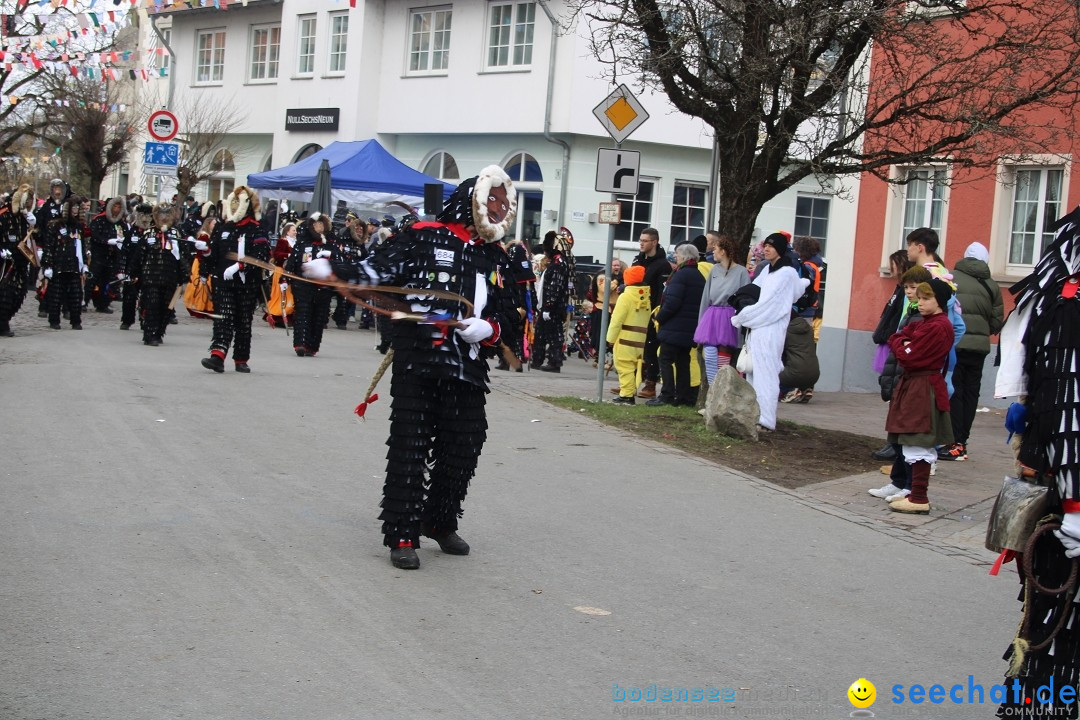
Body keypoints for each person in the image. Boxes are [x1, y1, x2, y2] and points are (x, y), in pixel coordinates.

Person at [304, 165, 518, 570]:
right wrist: (333, 271)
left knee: (464, 444)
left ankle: (438, 521)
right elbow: (377, 272)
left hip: (468, 367)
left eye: (505, 203)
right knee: (410, 445)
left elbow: (514, 317)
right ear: (474, 198)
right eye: (493, 198)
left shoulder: (495, 257)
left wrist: (489, 328)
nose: (499, 208)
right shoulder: (424, 236)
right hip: (420, 360)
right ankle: (401, 533)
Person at [992, 206, 1080, 718]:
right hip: (1067, 487)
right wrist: (1074, 504)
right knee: (1058, 624)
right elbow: (1067, 406)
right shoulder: (1065, 297)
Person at [883, 278, 956, 514]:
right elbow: (900, 337)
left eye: (927, 298)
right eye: (920, 298)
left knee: (918, 442)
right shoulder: (926, 323)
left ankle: (918, 497)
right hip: (915, 385)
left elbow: (909, 356)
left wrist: (902, 341)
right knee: (911, 441)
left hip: (923, 387)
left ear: (940, 301)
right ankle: (913, 494)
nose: (920, 302)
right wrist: (902, 340)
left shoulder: (938, 326)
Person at [730, 232, 809, 431]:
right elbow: (754, 292)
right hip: (758, 328)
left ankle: (766, 418)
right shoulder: (768, 271)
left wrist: (743, 317)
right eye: (765, 245)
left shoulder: (786, 273)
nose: (766, 249)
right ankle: (755, 414)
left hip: (771, 330)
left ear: (780, 250)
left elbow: (771, 307)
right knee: (754, 372)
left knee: (767, 373)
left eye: (771, 246)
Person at [869, 265, 933, 501]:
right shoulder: (911, 311)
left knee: (907, 438)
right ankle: (898, 481)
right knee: (896, 436)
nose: (908, 291)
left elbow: (908, 350)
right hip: (897, 377)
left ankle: (907, 484)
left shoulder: (923, 316)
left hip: (909, 382)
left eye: (913, 287)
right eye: (906, 287)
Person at [938, 241, 1004, 462]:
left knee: (953, 391)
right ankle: (962, 442)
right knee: (970, 394)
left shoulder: (950, 277)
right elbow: (996, 322)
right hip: (978, 349)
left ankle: (951, 441)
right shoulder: (992, 286)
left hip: (954, 344)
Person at [199, 186, 270, 373]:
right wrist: (205, 252)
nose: (235, 205)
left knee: (243, 321)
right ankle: (218, 355)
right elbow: (214, 255)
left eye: (239, 202)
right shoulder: (223, 228)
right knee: (224, 317)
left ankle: (241, 358)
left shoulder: (257, 229)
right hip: (223, 282)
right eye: (234, 201)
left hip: (247, 283)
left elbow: (261, 256)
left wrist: (240, 266)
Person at [869, 250, 915, 462]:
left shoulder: (906, 292)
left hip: (895, 342)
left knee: (894, 390)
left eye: (893, 264)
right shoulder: (900, 288)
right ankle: (892, 441)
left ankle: (894, 444)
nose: (890, 269)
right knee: (889, 387)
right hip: (890, 341)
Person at [650, 242, 706, 406]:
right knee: (683, 361)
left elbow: (672, 303)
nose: (675, 257)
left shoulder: (680, 275)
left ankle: (667, 395)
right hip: (689, 328)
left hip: (675, 326)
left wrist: (659, 318)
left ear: (684, 257)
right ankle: (684, 397)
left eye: (677, 254)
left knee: (665, 358)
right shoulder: (698, 275)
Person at [695, 232, 750, 385]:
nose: (713, 251)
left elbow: (745, 298)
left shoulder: (741, 272)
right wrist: (701, 321)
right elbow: (706, 296)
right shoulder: (714, 270)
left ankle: (722, 391)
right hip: (712, 315)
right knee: (710, 356)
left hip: (729, 317)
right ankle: (713, 389)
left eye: (716, 248)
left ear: (723, 251)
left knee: (723, 361)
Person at [285, 214, 341, 357]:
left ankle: (312, 346)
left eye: (321, 224)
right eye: (316, 224)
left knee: (319, 317)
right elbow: (292, 263)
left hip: (323, 288)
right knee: (303, 314)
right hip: (303, 286)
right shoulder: (302, 244)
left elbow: (341, 265)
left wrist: (332, 258)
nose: (319, 227)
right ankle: (300, 344)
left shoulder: (331, 244)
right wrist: (285, 280)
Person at [781, 235, 825, 403]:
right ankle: (806, 388)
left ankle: (798, 388)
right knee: (806, 350)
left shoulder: (806, 266)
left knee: (796, 350)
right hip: (811, 311)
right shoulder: (816, 265)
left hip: (802, 312)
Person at [632, 228, 671, 398]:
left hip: (650, 312)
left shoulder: (662, 265)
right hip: (634, 310)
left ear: (654, 242)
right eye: (640, 240)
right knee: (633, 348)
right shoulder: (638, 261)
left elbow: (661, 292)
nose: (641, 243)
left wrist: (655, 313)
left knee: (650, 349)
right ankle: (630, 383)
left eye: (645, 240)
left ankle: (650, 384)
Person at [136, 205, 183, 347]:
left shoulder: (176, 234)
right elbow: (139, 255)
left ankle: (159, 332)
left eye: (167, 215)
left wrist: (184, 276)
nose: (164, 218)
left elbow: (183, 256)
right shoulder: (148, 233)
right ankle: (149, 334)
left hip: (170, 277)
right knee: (152, 306)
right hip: (151, 276)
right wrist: (135, 273)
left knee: (166, 308)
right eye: (161, 215)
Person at [41, 195, 86, 331]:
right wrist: (47, 265)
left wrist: (84, 264)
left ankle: (75, 320)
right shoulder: (55, 225)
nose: (76, 210)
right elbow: (49, 245)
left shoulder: (78, 227)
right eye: (74, 207)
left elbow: (82, 246)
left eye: (78, 207)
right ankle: (54, 320)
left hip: (74, 265)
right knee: (56, 294)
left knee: (76, 294)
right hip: (58, 264)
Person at [606, 264, 650, 405]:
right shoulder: (646, 296)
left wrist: (610, 338)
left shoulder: (626, 297)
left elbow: (616, 320)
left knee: (624, 367)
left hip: (624, 337)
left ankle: (626, 394)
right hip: (640, 338)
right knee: (633, 366)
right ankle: (630, 392)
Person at [532, 228, 572, 373]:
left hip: (553, 307)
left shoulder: (558, 263)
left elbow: (555, 286)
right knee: (541, 333)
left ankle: (555, 362)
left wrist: (548, 306)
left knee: (555, 335)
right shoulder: (557, 262)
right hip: (549, 305)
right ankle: (537, 359)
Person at [0, 185, 36, 337]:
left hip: (20, 260)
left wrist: (33, 223)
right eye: (26, 200)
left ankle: (5, 319)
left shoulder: (24, 217)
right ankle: (2, 324)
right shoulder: (3, 214)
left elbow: (33, 237)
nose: (28, 204)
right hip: (5, 262)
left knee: (19, 292)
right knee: (5, 293)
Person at [86, 197, 127, 314]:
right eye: (115, 206)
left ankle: (103, 303)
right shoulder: (99, 220)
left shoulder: (120, 223)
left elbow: (125, 235)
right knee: (92, 279)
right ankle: (85, 300)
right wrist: (107, 241)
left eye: (119, 207)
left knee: (107, 281)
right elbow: (94, 235)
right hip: (99, 254)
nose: (117, 209)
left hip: (112, 256)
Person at [117, 204, 150, 331]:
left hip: (148, 269)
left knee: (147, 297)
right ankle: (127, 320)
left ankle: (145, 319)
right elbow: (124, 251)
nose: (144, 219)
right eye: (141, 215)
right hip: (132, 268)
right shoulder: (133, 231)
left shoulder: (152, 232)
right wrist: (121, 270)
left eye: (147, 216)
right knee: (129, 296)